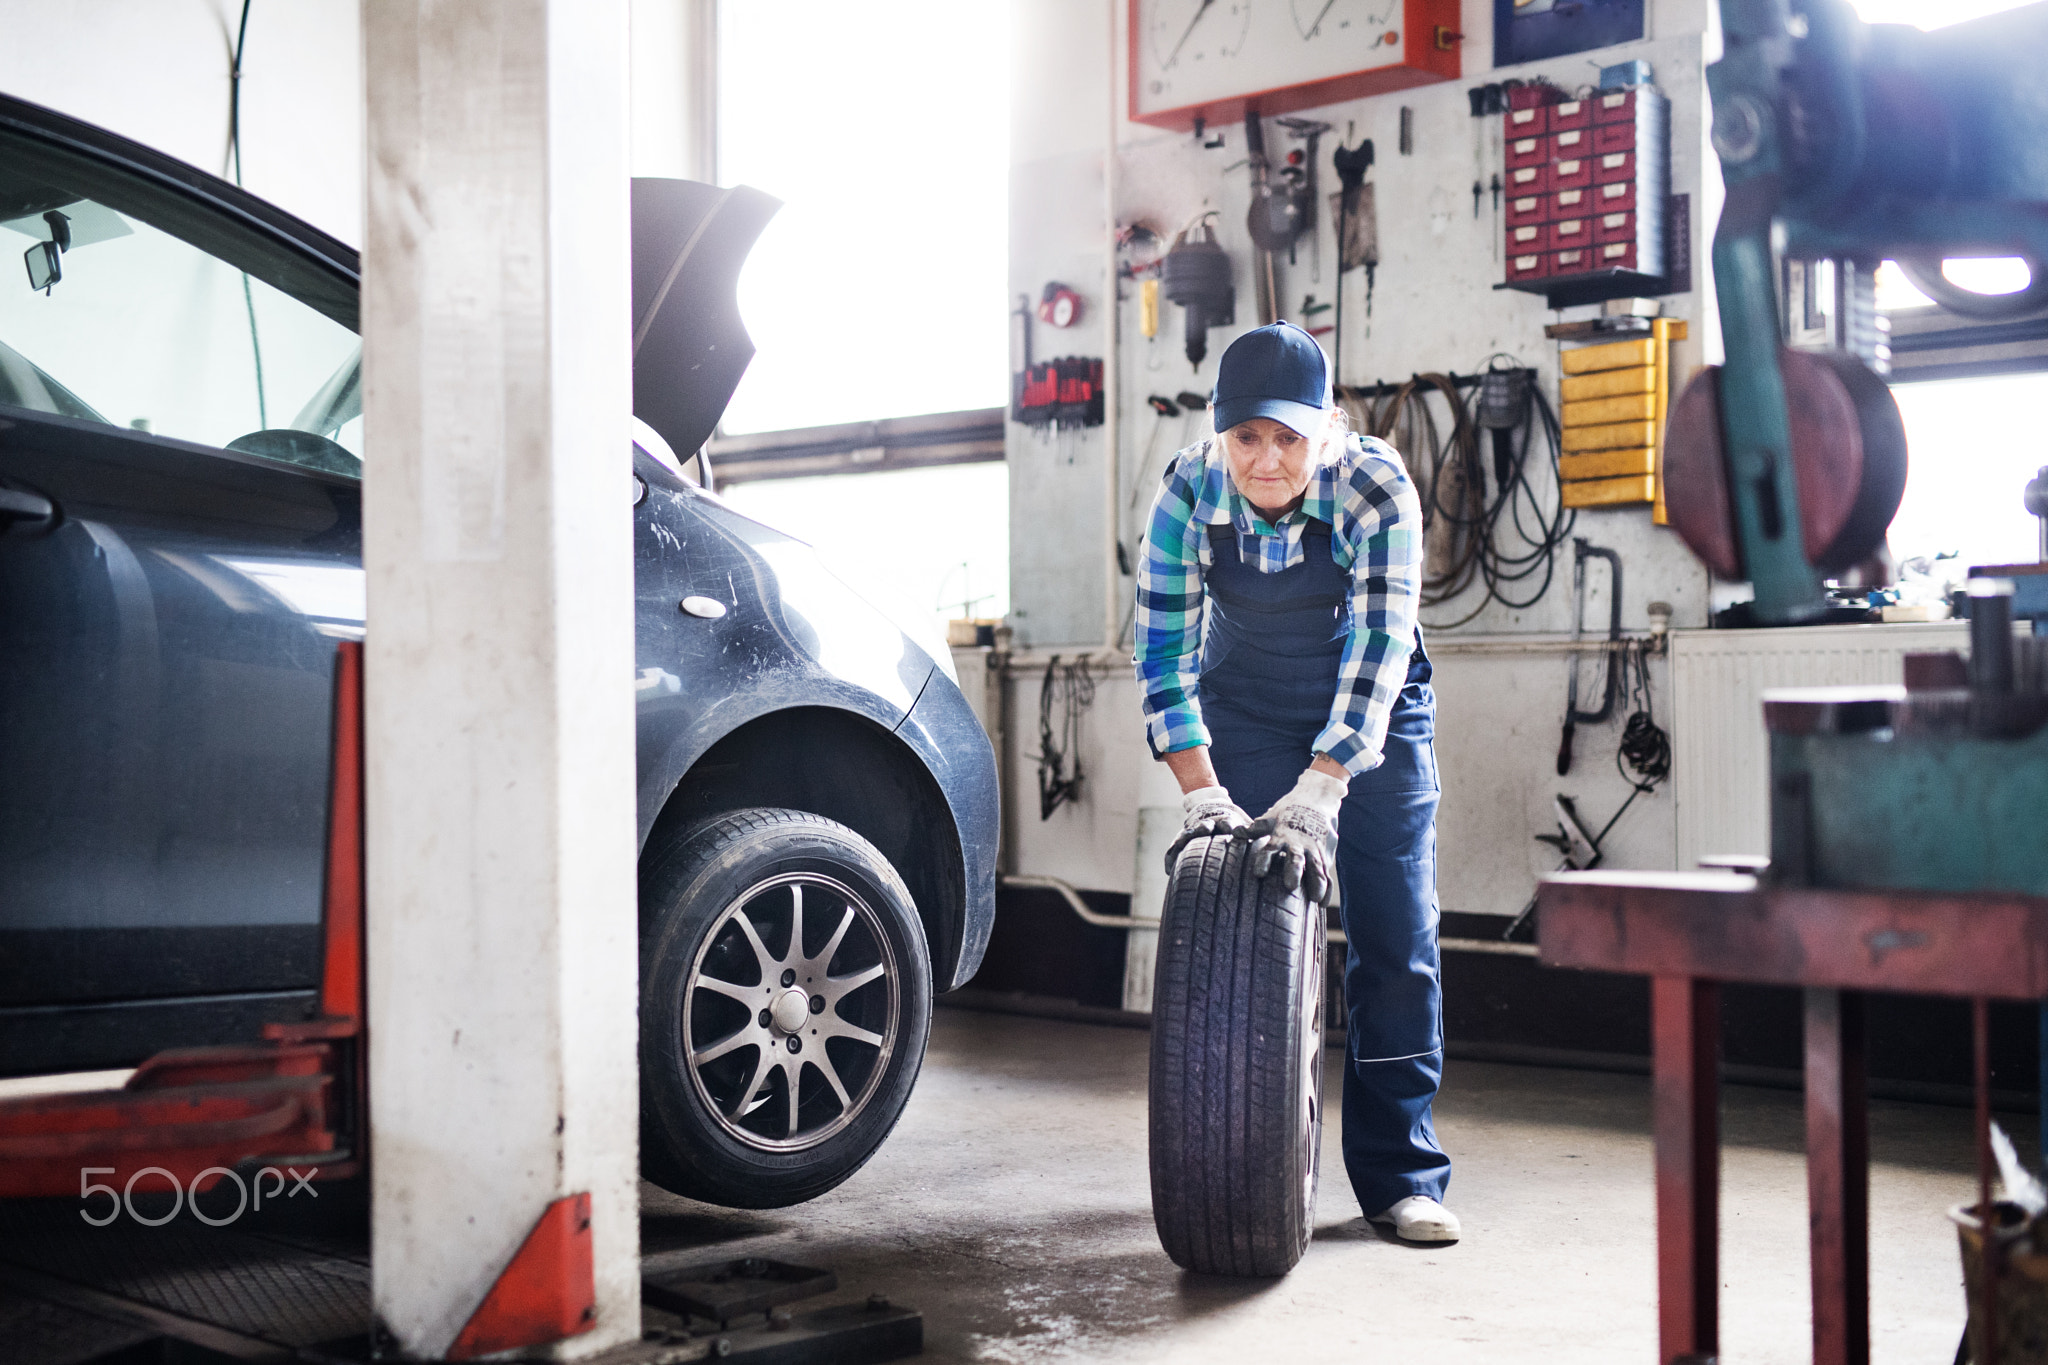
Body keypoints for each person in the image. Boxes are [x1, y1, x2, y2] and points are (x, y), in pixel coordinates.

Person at [1132, 321, 1456, 1243]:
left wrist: (1323, 790)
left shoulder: (1376, 484)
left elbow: (1379, 645)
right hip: (1247, 704)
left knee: (1393, 934)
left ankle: (1401, 1176)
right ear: (1220, 431)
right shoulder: (1190, 486)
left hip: (1375, 713)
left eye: (1288, 437)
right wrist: (1200, 795)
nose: (1266, 461)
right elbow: (1163, 653)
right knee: (1247, 926)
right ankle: (1237, 1161)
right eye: (1246, 437)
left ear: (1327, 427)